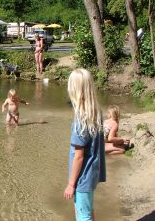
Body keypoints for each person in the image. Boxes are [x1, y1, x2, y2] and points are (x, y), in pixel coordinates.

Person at [64, 68, 106, 221]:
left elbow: (78, 157)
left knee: (83, 215)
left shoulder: (80, 121)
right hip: (93, 172)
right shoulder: (96, 113)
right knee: (88, 210)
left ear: (73, 90)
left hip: (82, 177)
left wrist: (71, 184)